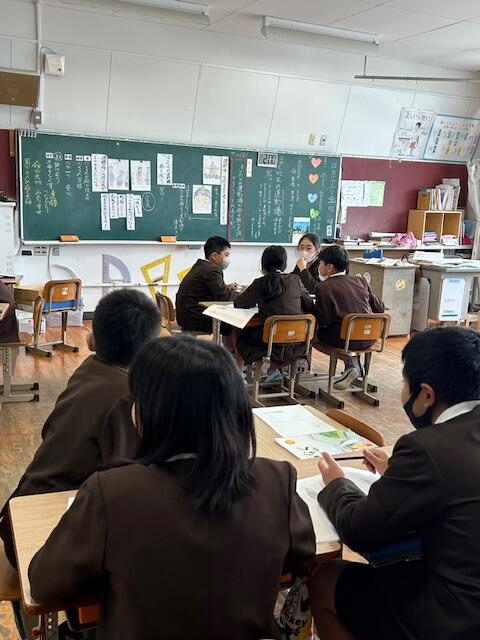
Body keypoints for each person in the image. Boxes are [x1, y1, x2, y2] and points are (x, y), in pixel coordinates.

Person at [28, 337, 315, 640]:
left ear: (146, 414)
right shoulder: (277, 480)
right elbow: (302, 557)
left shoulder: (110, 494)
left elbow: (44, 583)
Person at [310, 326, 480, 640]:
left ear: (426, 394)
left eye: (404, 382)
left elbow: (359, 530)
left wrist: (335, 483)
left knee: (326, 579)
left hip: (455, 616)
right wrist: (397, 471)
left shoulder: (428, 448)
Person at [0, 288, 161, 569]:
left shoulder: (89, 370)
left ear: (90, 340)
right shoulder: (129, 397)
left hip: (21, 514)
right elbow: (129, 479)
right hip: (44, 541)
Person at [234, 245, 314, 381]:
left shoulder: (260, 283)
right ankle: (273, 371)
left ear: (263, 264)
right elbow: (309, 305)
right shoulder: (295, 279)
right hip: (297, 340)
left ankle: (237, 373)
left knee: (241, 333)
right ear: (285, 265)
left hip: (268, 341)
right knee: (278, 334)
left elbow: (239, 303)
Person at [313, 244, 384, 390]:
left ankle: (349, 362)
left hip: (344, 339)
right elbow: (380, 308)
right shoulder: (361, 281)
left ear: (329, 267)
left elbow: (325, 321)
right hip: (370, 337)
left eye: (320, 264)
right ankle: (354, 365)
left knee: (312, 336)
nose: (318, 267)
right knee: (344, 332)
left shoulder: (323, 287)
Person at [176, 236, 239, 335]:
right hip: (195, 318)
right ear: (214, 256)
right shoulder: (212, 270)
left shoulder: (202, 266)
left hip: (186, 315)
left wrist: (226, 287)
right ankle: (229, 346)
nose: (228, 259)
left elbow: (217, 290)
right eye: (226, 255)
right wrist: (245, 296)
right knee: (234, 324)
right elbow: (224, 295)